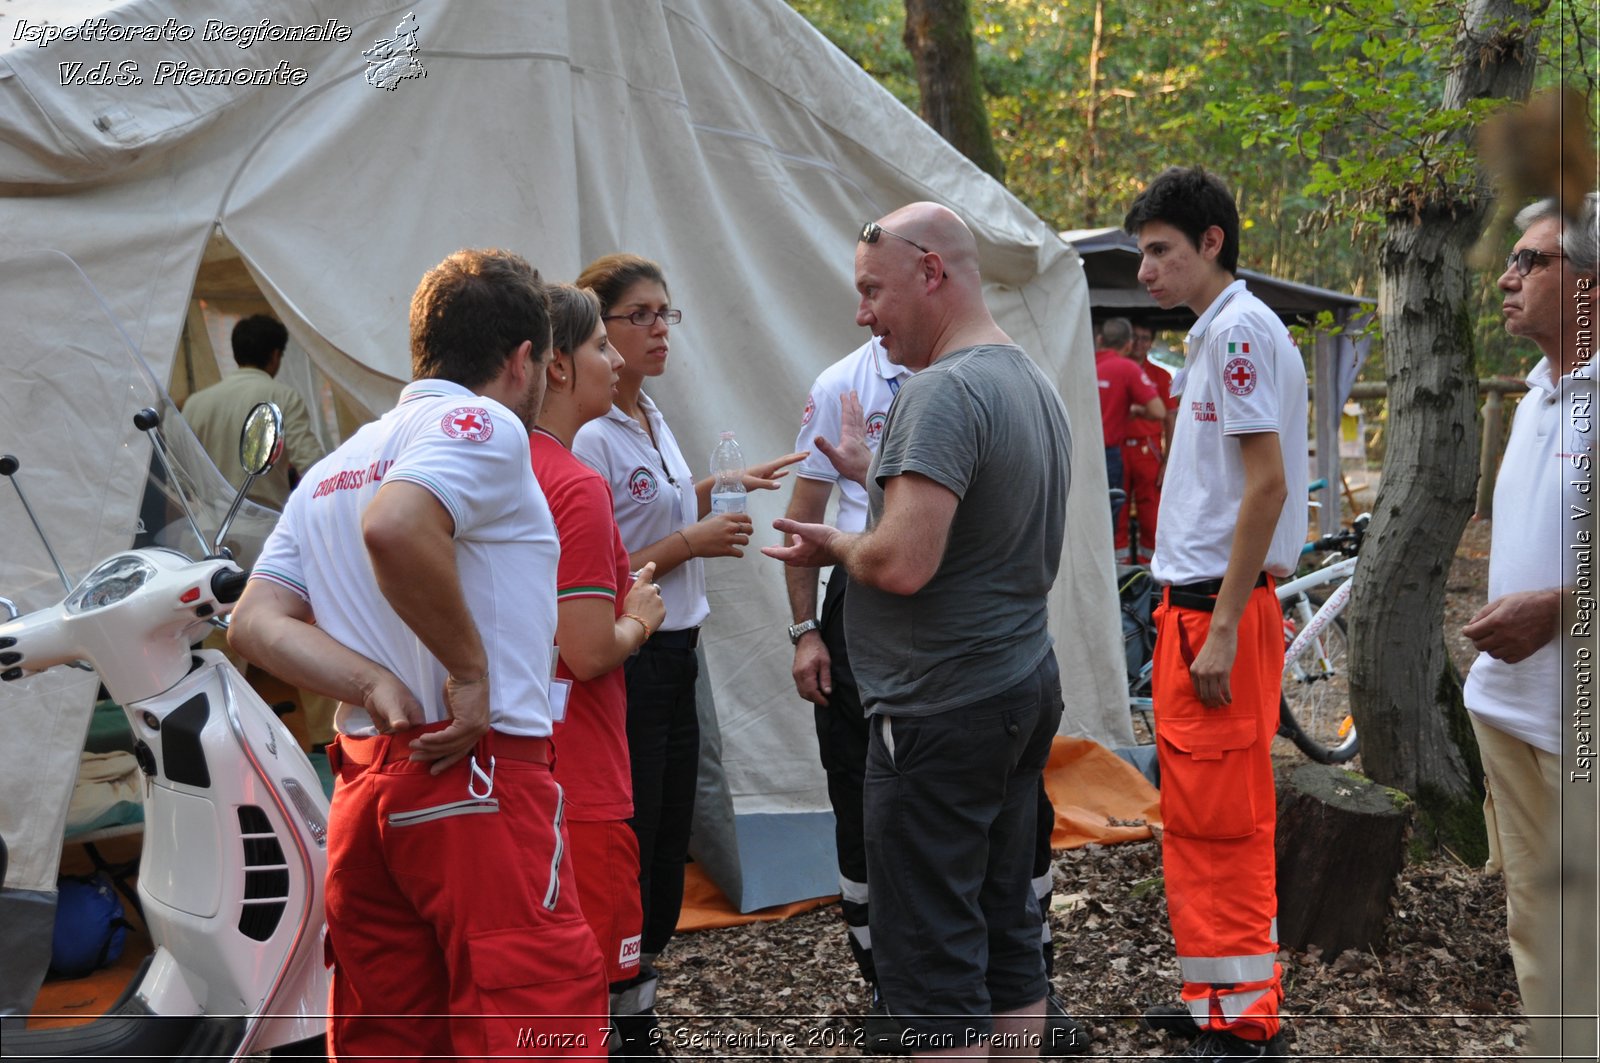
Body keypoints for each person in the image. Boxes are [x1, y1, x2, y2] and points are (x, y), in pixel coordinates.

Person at [229, 249, 608, 1060]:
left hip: (368, 783)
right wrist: (466, 672)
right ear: (522, 360)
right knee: (534, 1024)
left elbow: (256, 622)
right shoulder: (483, 423)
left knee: (393, 1035)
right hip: (477, 774)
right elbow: (397, 525)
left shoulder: (334, 466)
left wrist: (369, 680)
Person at [766, 202, 1074, 1060]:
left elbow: (902, 562)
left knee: (933, 959)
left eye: (873, 291)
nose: (862, 314)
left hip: (940, 713)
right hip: (1018, 687)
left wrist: (835, 543)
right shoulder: (1029, 380)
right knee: (1009, 934)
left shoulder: (941, 392)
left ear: (931, 272)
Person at [570, 253, 804, 1056]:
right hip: (631, 653)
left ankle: (641, 998)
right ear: (597, 331)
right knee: (631, 834)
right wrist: (689, 541)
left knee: (670, 830)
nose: (660, 329)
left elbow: (653, 507)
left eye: (667, 313)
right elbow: (605, 569)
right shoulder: (591, 437)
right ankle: (616, 1010)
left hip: (677, 647)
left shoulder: (648, 415)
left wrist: (719, 485)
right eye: (641, 316)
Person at [1124, 166, 1307, 1061]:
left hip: (1215, 613)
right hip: (1190, 610)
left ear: (1211, 242)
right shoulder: (1216, 337)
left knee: (1227, 822)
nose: (1147, 270)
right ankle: (1214, 998)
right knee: (1197, 817)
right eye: (1143, 253)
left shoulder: (1237, 335)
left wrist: (1227, 623)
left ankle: (1245, 1023)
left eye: (1161, 251)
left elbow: (1268, 487)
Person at [1462, 193, 1597, 1054]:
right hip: (1508, 709)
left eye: (1530, 262)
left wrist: (1559, 608)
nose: (1505, 279)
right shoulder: (1536, 395)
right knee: (1538, 928)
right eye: (1510, 262)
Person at [531, 285, 668, 1055]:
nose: (615, 361)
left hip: (521, 775)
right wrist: (638, 618)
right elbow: (584, 651)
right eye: (600, 347)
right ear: (554, 364)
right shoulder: (573, 483)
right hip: (581, 782)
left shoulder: (491, 463)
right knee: (594, 1006)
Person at [182, 313, 326, 510]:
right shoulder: (284, 397)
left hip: (208, 527)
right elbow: (312, 465)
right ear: (275, 355)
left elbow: (178, 476)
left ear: (236, 353)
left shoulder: (194, 403)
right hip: (265, 525)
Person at [1094, 316, 1165, 532]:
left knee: (1092, 514)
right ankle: (1117, 563)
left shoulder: (1082, 365)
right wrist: (1134, 409)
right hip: (1111, 452)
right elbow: (1159, 411)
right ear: (1128, 344)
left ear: (1099, 340)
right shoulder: (1126, 368)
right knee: (1113, 513)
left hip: (1079, 454)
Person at [1117, 323, 1179, 563]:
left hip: (1148, 449)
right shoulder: (1114, 369)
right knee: (1116, 510)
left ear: (1151, 342)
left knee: (1151, 514)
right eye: (1135, 337)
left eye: (1145, 338)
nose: (1139, 343)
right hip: (1118, 448)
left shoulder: (1161, 375)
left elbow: (1171, 419)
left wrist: (1168, 460)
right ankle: (1118, 574)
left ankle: (1150, 574)